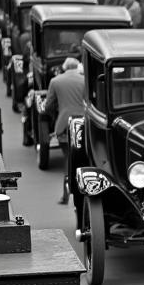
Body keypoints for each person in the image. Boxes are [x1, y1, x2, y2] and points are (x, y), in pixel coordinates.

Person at [44, 56, 85, 204]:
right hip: (84, 124)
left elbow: (48, 106)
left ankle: (66, 195)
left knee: (69, 159)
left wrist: (56, 112)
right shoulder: (85, 80)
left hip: (64, 125)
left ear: (64, 67)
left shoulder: (56, 81)